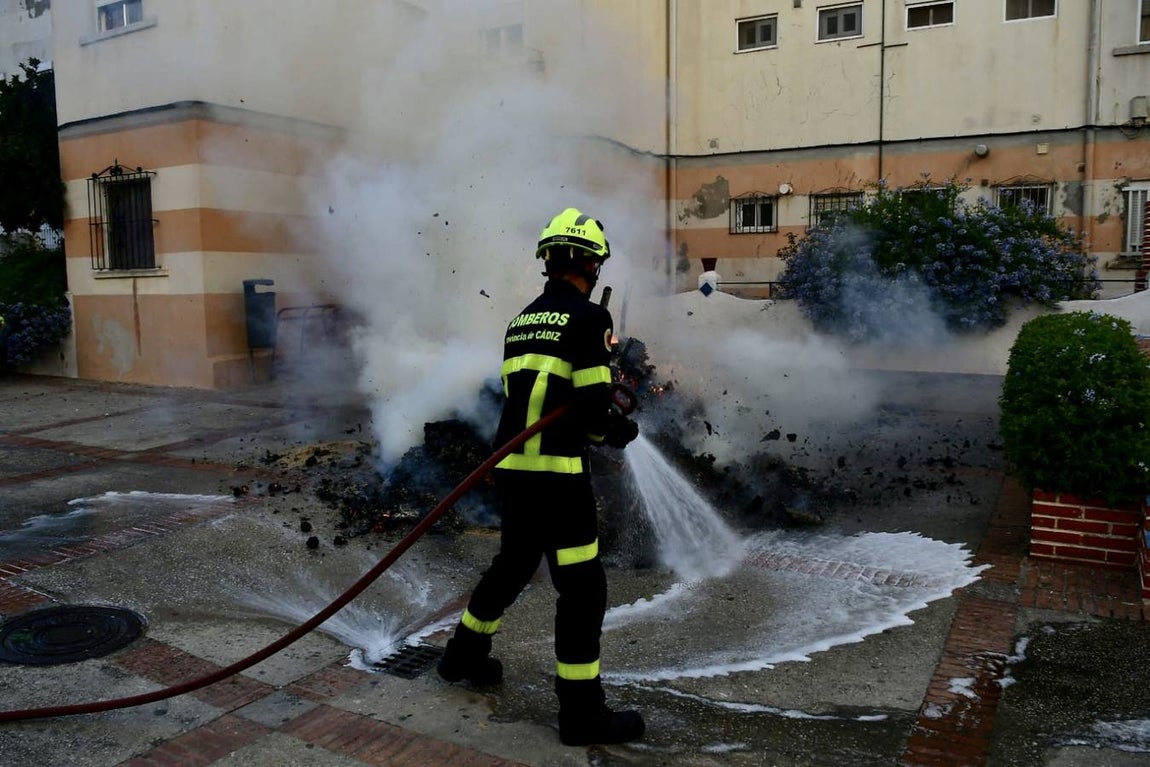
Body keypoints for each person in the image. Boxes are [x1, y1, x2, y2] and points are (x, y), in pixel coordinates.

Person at [437, 207, 644, 746]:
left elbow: (531, 397)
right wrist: (619, 432)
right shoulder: (591, 320)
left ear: (548, 260)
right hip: (558, 477)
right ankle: (581, 713)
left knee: (512, 565)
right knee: (582, 589)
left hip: (515, 471)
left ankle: (462, 656)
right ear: (592, 266)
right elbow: (593, 412)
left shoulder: (521, 320)